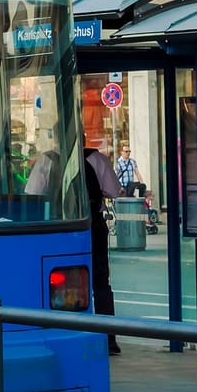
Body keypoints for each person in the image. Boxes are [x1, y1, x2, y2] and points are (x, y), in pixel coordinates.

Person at [82, 142, 121, 354]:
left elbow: (33, 191)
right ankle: (109, 339)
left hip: (58, 227)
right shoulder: (95, 159)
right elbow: (114, 191)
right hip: (93, 226)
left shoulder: (49, 160)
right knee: (100, 283)